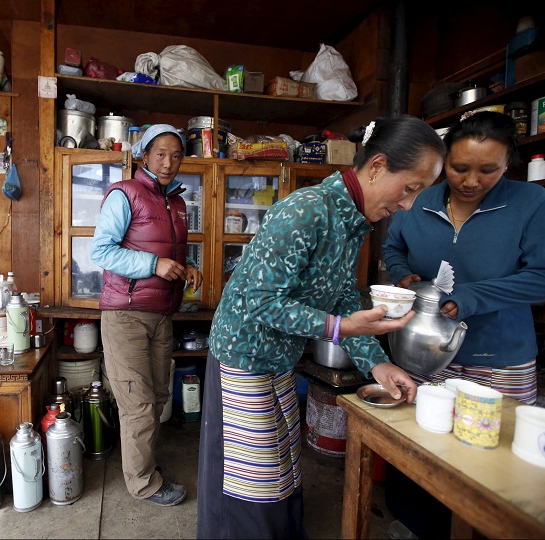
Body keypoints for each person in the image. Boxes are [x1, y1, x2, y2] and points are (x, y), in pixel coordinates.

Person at [196, 115, 446, 539]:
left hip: (278, 359)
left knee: (282, 470)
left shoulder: (351, 221)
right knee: (251, 484)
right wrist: (337, 327)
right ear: (377, 166)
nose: (407, 204)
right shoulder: (308, 210)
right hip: (243, 358)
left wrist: (377, 366)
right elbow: (260, 302)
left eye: (419, 193)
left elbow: (344, 294)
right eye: (409, 188)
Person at [384, 111, 545, 404]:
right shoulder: (420, 201)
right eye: (459, 168)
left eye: (488, 170)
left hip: (500, 360)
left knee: (494, 445)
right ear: (444, 160)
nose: (471, 181)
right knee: (420, 441)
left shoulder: (531, 203)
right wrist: (401, 273)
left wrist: (470, 297)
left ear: (507, 164)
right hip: (423, 351)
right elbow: (394, 247)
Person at [90, 124, 203, 507]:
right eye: (160, 154)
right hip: (126, 314)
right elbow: (102, 252)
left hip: (161, 314)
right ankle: (143, 484)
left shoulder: (178, 203)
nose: (169, 162)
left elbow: (168, 253)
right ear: (144, 156)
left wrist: (185, 267)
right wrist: (155, 264)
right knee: (137, 403)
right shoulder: (125, 193)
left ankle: (145, 465)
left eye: (176, 155)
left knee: (155, 399)